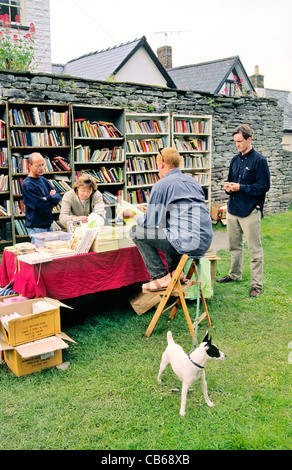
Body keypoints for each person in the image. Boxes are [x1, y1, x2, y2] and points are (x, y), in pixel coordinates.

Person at [118, 147, 213, 291]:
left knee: (136, 231)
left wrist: (131, 214)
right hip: (204, 240)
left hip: (186, 241)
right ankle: (176, 271)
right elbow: (179, 213)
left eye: (157, 166)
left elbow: (150, 223)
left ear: (161, 164)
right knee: (170, 229)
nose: (158, 170)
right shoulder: (192, 181)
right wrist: (148, 210)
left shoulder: (162, 184)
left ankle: (160, 276)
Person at [216, 124, 270, 297]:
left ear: (249, 139)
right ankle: (234, 274)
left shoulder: (260, 160)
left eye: (240, 141)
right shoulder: (234, 159)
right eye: (235, 142)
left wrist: (240, 187)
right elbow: (231, 181)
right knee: (234, 246)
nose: (237, 145)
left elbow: (263, 186)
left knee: (255, 250)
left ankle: (256, 285)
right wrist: (228, 187)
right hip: (233, 209)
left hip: (250, 211)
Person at [22, 152, 61, 244]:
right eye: (38, 166)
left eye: (43, 165)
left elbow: (58, 195)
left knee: (51, 252)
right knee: (39, 254)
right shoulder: (28, 184)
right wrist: (51, 197)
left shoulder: (42, 179)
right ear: (29, 166)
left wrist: (46, 198)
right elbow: (42, 207)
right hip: (36, 226)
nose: (41, 168)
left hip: (48, 223)